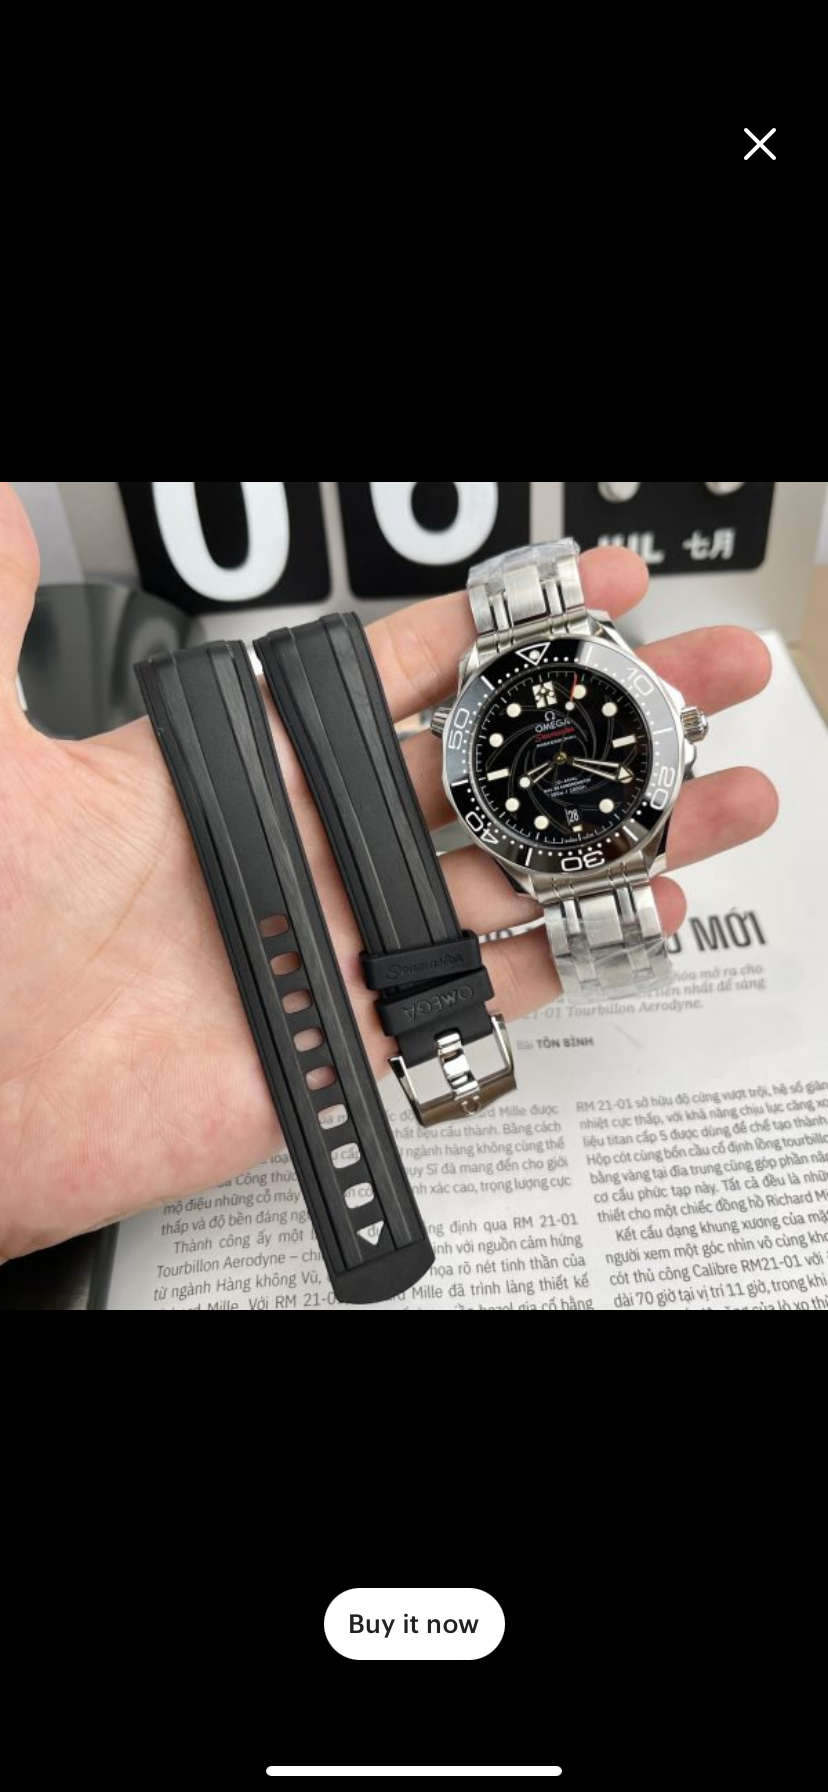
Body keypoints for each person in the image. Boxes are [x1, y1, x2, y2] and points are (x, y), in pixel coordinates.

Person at [0, 484, 777, 1260]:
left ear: (679, 728)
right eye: (545, 757)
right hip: (521, 855)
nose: (559, 760)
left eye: (572, 752)